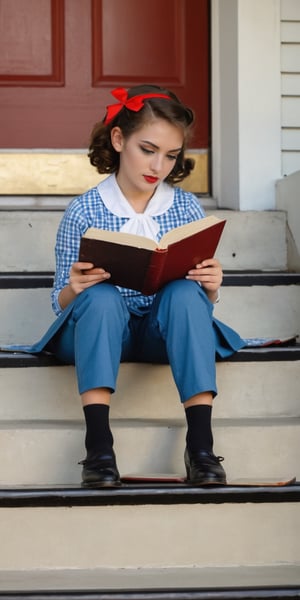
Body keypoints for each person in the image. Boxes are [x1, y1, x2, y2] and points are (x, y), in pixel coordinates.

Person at [33, 84, 244, 487]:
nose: (158, 166)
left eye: (170, 155)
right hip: (101, 327)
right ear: (118, 139)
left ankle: (200, 445)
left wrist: (211, 286)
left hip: (159, 331)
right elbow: (60, 304)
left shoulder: (184, 207)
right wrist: (75, 288)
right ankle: (99, 447)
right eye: (147, 150)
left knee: (184, 293)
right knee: (101, 297)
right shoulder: (84, 209)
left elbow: (196, 307)